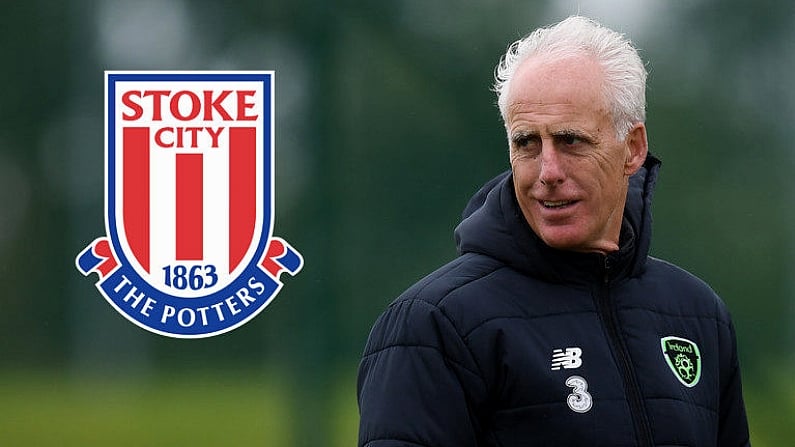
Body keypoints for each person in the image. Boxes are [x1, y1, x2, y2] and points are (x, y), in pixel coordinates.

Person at [356, 15, 751, 447]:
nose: (548, 172)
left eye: (570, 141)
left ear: (633, 148)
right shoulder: (434, 325)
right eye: (527, 143)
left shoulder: (697, 314)